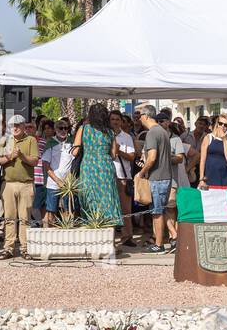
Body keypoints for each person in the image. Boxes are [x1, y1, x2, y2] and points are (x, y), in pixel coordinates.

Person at [73, 103, 122, 232]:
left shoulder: (83, 129)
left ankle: (92, 239)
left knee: (90, 199)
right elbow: (113, 155)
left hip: (88, 166)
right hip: (105, 167)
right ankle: (110, 243)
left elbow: (74, 152)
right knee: (107, 201)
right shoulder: (110, 132)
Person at [0, 115, 38, 258]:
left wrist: (22, 157)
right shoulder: (4, 140)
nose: (14, 128)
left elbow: (35, 161)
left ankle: (24, 248)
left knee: (25, 218)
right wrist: (10, 156)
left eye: (17, 125)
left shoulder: (31, 140)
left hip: (26, 184)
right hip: (8, 184)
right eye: (12, 125)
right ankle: (8, 248)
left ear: (23, 126)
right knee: (9, 218)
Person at [136, 105, 175, 253]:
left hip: (157, 178)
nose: (138, 119)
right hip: (164, 176)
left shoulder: (153, 132)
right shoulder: (162, 131)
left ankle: (158, 245)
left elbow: (151, 158)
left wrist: (141, 172)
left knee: (157, 213)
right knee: (160, 211)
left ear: (146, 116)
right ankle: (173, 237)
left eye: (139, 116)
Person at [41, 119, 75, 227]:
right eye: (61, 128)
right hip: (53, 182)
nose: (63, 130)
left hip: (69, 183)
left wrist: (70, 179)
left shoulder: (72, 142)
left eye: (66, 128)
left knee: (67, 209)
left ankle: (67, 233)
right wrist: (57, 180)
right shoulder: (50, 143)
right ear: (55, 129)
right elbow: (46, 165)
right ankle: (50, 235)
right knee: (51, 210)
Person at [110, 110, 136, 245]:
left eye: (117, 119)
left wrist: (118, 150)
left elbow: (132, 156)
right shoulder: (104, 135)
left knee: (126, 209)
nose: (115, 122)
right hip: (107, 177)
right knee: (109, 208)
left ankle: (127, 236)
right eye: (112, 119)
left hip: (123, 177)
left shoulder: (127, 137)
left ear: (121, 121)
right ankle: (109, 238)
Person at [199, 115, 227, 190]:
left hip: (225, 178)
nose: (222, 126)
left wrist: (224, 140)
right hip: (209, 176)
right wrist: (201, 179)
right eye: (220, 123)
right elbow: (202, 160)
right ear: (217, 124)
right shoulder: (208, 137)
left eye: (225, 125)